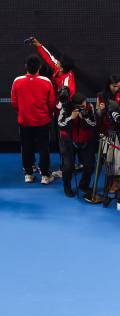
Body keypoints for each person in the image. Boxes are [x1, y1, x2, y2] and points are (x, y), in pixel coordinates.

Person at [10, 55, 56, 184]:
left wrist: (23, 112)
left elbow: (14, 102)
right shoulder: (46, 81)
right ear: (39, 67)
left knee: (26, 147)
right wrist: (47, 114)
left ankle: (29, 174)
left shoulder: (17, 81)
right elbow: (51, 103)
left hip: (24, 121)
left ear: (26, 67)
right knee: (44, 148)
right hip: (43, 121)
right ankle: (45, 176)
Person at [57, 93, 98, 197]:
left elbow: (94, 123)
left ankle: (83, 185)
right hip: (68, 140)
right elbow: (60, 124)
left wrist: (85, 117)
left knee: (90, 165)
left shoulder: (90, 107)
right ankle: (67, 186)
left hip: (85, 140)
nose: (84, 105)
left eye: (85, 103)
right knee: (68, 166)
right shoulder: (65, 108)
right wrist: (71, 117)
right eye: (82, 105)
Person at [96, 75, 120, 193]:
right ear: (108, 85)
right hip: (107, 130)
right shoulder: (101, 96)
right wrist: (100, 110)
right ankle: (109, 179)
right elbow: (98, 114)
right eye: (114, 86)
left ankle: (116, 180)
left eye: (118, 85)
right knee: (108, 156)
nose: (116, 87)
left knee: (119, 156)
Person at [30, 37, 76, 110]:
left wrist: (57, 104)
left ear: (61, 68)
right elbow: (49, 58)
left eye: (59, 63)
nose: (57, 62)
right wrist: (38, 45)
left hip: (63, 106)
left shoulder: (66, 85)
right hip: (55, 92)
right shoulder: (60, 68)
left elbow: (65, 101)